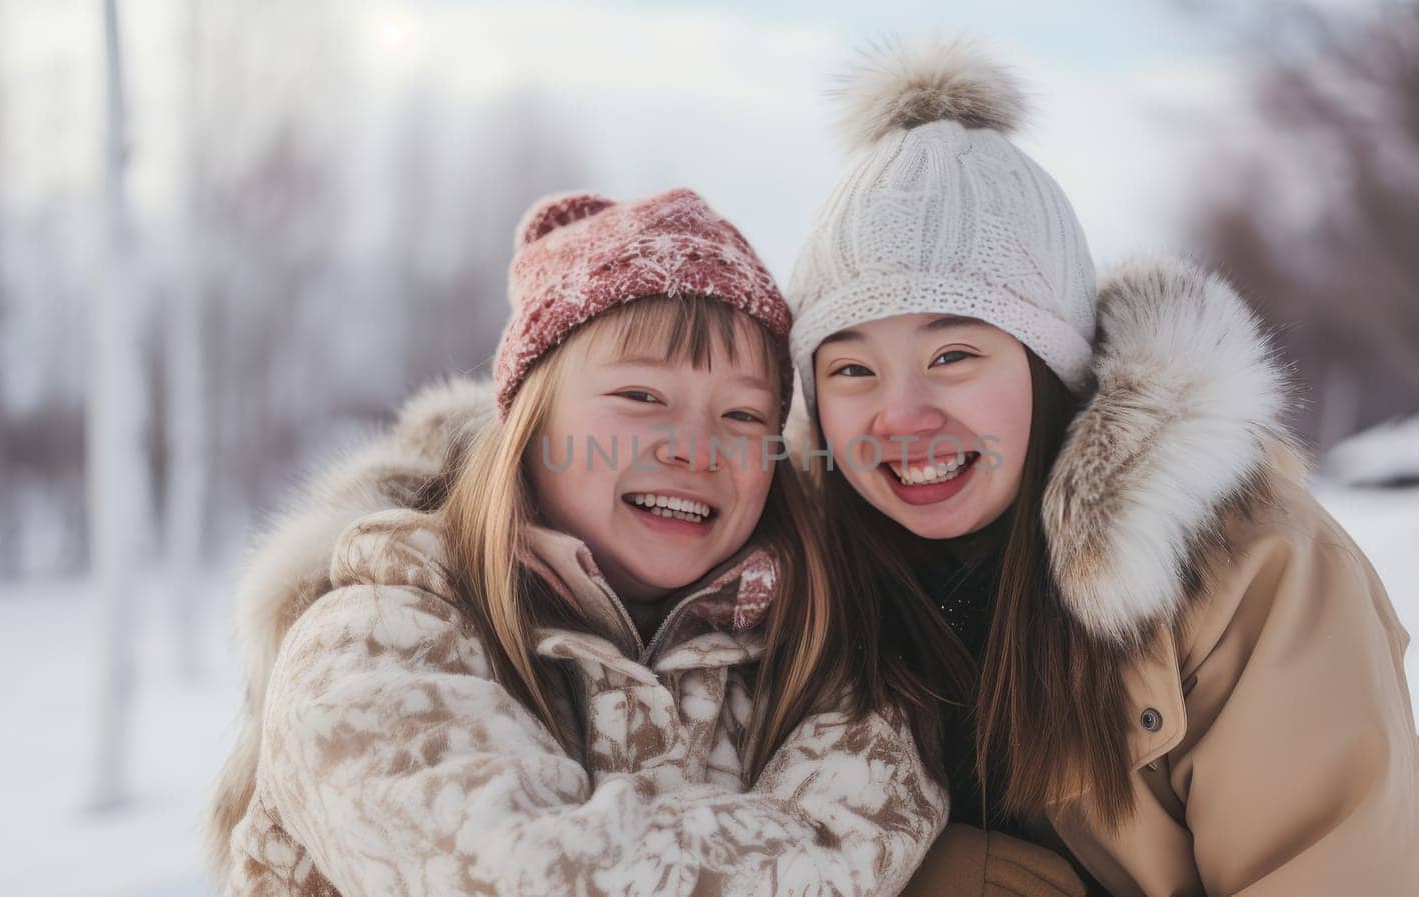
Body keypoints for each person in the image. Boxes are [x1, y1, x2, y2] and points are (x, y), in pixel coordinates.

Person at [786, 37, 1419, 897]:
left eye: (954, 355)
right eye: (852, 370)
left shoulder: (1245, 564)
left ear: (1050, 369)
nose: (900, 416)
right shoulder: (813, 577)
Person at [205, 187, 946, 896]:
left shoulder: (815, 655)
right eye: (641, 397)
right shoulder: (375, 639)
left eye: (745, 416)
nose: (696, 448)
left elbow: (865, 831)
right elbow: (521, 875)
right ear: (531, 425)